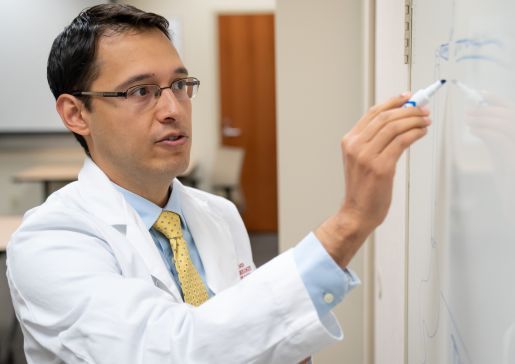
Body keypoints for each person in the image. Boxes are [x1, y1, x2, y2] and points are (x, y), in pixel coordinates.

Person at [6, 4, 431, 364]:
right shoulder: (49, 241)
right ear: (76, 114)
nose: (173, 108)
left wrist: (284, 342)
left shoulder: (219, 215)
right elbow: (174, 350)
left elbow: (248, 337)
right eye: (140, 91)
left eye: (180, 85)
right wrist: (350, 222)